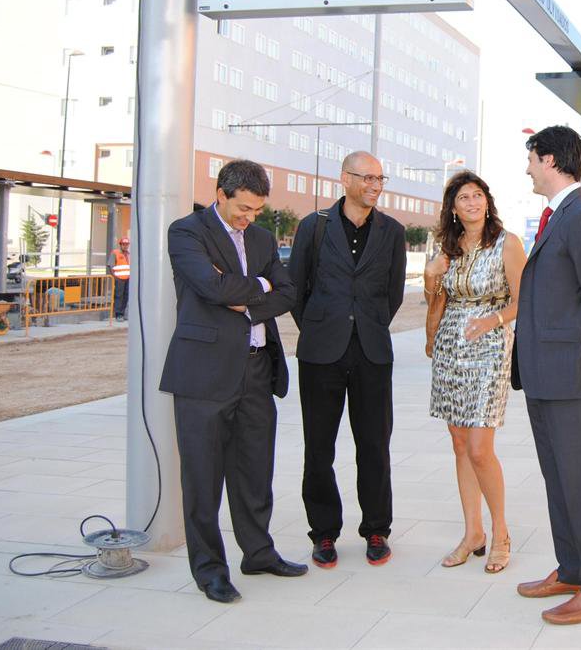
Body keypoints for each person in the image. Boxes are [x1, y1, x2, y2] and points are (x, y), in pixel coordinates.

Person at [159, 159, 304, 604]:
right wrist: (259, 285)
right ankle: (210, 571)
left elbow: (288, 291)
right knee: (203, 480)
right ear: (220, 194)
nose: (250, 218)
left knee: (255, 471)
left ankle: (258, 553)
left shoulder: (261, 238)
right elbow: (212, 288)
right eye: (243, 208)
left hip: (257, 370)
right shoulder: (186, 232)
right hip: (203, 374)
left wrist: (250, 298)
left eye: (257, 210)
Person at [513, 125, 581, 627]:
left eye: (532, 159)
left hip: (571, 374)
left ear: (551, 160)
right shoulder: (558, 215)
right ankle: (574, 570)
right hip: (544, 373)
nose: (528, 168)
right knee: (559, 480)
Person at [288, 151, 407, 569]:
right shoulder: (314, 226)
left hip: (372, 352)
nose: (375, 186)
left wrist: (367, 325)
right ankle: (323, 532)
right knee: (319, 447)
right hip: (321, 353)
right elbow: (296, 289)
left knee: (374, 445)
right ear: (345, 179)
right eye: (367, 178)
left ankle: (376, 528)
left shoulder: (392, 231)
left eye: (380, 178)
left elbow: (393, 293)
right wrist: (322, 326)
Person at [424, 171, 527, 574]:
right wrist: (431, 275)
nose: (472, 202)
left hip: (489, 346)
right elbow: (435, 300)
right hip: (450, 345)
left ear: (487, 201)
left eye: (478, 195)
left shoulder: (507, 243)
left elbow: (525, 298)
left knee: (481, 448)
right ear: (453, 207)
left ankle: (501, 533)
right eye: (464, 197)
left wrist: (492, 320)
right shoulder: (447, 248)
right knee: (460, 443)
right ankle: (473, 533)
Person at [108, 237, 131, 321]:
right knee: (119, 296)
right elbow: (110, 266)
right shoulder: (115, 253)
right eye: (123, 244)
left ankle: (122, 313)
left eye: (127, 244)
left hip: (128, 279)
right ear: (120, 245)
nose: (125, 246)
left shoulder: (129, 254)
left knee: (126, 296)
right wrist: (115, 277)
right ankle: (118, 314)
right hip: (119, 279)